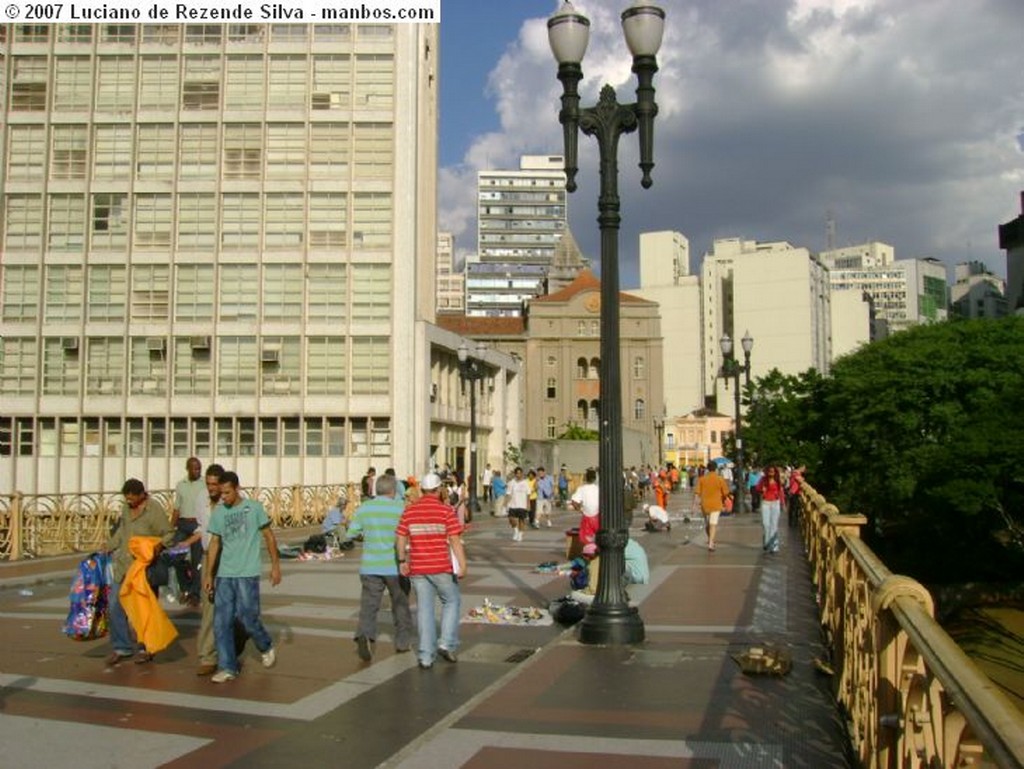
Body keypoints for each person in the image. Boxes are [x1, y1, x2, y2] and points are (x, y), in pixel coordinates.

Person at [203, 471, 281, 684]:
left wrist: (275, 566)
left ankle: (264, 644)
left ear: (237, 489)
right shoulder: (219, 513)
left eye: (227, 493)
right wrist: (210, 574)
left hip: (247, 573)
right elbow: (214, 543)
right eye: (221, 494)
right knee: (221, 621)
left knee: (248, 617)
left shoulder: (253, 508)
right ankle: (227, 666)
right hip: (225, 574)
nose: (224, 497)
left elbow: (268, 536)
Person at [395, 472, 466, 670]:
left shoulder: (409, 511)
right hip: (441, 567)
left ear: (422, 490)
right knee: (451, 601)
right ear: (438, 489)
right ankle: (446, 642)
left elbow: (400, 537)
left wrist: (402, 560)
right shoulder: (445, 511)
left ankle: (425, 656)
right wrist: (462, 564)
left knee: (424, 609)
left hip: (418, 568)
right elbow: (454, 540)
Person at [105, 478, 175, 666]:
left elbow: (169, 533)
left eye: (132, 498)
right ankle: (121, 646)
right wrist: (108, 546)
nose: (129, 502)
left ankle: (146, 647)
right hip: (125, 566)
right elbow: (122, 531)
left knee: (143, 609)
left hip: (144, 568)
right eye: (126, 499)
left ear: (142, 495)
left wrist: (157, 547)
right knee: (114, 604)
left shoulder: (154, 510)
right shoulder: (126, 510)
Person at [344, 473, 413, 661]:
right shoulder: (401, 508)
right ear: (393, 490)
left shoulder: (365, 508)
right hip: (395, 565)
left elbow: (351, 533)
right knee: (400, 603)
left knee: (369, 605)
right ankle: (402, 641)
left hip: (370, 565)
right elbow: (409, 533)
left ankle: (365, 634)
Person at [192, 464, 225, 676]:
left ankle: (230, 644)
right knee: (209, 606)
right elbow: (202, 528)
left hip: (228, 559)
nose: (211, 488)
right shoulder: (201, 499)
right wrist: (186, 543)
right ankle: (208, 655)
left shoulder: (229, 502)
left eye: (215, 484)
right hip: (207, 556)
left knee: (231, 608)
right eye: (208, 484)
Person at [172, 457, 205, 604]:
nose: (197, 471)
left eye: (199, 468)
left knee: (197, 561)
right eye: (194, 468)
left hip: (198, 524)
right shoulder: (181, 485)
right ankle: (185, 587)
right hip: (183, 523)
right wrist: (170, 528)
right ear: (188, 469)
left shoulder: (204, 484)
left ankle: (195, 593)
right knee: (177, 557)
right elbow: (177, 508)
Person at [695, 463, 730, 552]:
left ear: (707, 469)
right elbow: (726, 492)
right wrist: (726, 500)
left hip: (705, 505)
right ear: (716, 469)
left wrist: (694, 505)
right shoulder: (720, 479)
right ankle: (711, 543)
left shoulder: (702, 479)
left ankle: (711, 541)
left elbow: (697, 493)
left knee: (708, 525)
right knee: (713, 524)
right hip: (716, 504)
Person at [755, 466, 785, 554]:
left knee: (774, 525)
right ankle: (767, 542)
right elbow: (757, 488)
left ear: (775, 472)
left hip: (775, 503)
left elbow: (780, 491)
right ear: (767, 472)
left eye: (773, 471)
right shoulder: (763, 480)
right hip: (765, 503)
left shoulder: (778, 480)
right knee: (766, 524)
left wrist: (783, 503)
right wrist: (762, 489)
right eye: (770, 471)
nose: (771, 473)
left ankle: (774, 546)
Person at [570, 467, 600, 548]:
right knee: (599, 538)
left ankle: (588, 553)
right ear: (595, 478)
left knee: (586, 539)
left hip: (587, 517)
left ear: (585, 478)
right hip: (598, 516)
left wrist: (580, 509)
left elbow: (574, 501)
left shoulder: (582, 489)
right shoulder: (599, 489)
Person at [505, 467, 531, 541]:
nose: (518, 475)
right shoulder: (511, 482)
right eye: (517, 473)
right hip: (513, 504)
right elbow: (508, 494)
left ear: (522, 474)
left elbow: (528, 494)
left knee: (521, 520)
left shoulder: (526, 483)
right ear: (515, 474)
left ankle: (520, 534)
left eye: (520, 473)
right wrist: (505, 504)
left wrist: (528, 504)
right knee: (511, 519)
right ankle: (516, 530)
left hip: (522, 504)